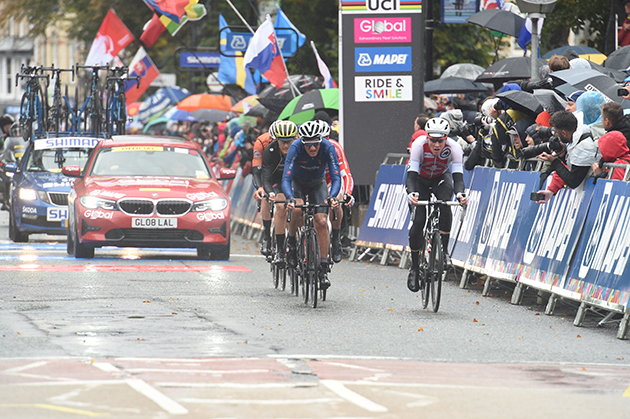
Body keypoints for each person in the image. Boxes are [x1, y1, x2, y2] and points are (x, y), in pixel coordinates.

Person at [406, 117, 468, 293]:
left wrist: (460, 194)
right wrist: (412, 194)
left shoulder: (454, 148)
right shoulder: (419, 145)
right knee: (419, 220)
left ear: (446, 139)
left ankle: (444, 252)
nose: (436, 145)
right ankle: (415, 267)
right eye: (433, 140)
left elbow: (458, 178)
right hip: (419, 180)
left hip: (441, 177)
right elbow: (411, 177)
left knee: (445, 203)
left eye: (440, 141)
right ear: (427, 138)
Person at [283, 120, 341, 290]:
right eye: (309, 145)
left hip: (318, 183)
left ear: (320, 140)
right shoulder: (295, 147)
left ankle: (323, 269)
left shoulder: (328, 146)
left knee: (322, 221)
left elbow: (336, 176)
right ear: (302, 142)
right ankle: (292, 242)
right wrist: (289, 198)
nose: (313, 149)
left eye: (316, 144)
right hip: (297, 183)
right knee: (298, 208)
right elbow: (286, 178)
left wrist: (332, 196)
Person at [534, 111, 599, 204]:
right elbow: (571, 167)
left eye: (556, 132)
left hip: (592, 198)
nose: (556, 136)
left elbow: (573, 181)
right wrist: (563, 155)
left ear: (564, 133)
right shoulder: (577, 137)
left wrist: (554, 161)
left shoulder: (583, 147)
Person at [315, 119, 355, 263]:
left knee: (336, 202)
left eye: (326, 139)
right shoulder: (305, 148)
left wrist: (347, 194)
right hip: (311, 181)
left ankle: (336, 237)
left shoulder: (335, 147)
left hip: (330, 181)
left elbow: (346, 174)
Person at [261, 120, 298, 264]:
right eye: (283, 142)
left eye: (289, 141)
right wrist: (270, 192)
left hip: (295, 181)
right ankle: (281, 252)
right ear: (276, 140)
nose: (286, 145)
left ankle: (296, 241)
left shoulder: (300, 149)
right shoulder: (270, 150)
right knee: (281, 206)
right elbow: (266, 175)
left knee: (300, 209)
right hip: (277, 181)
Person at [252, 122, 275, 256]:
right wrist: (260, 187)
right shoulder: (262, 141)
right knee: (266, 196)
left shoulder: (295, 142)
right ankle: (267, 236)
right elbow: (257, 170)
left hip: (286, 172)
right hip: (268, 173)